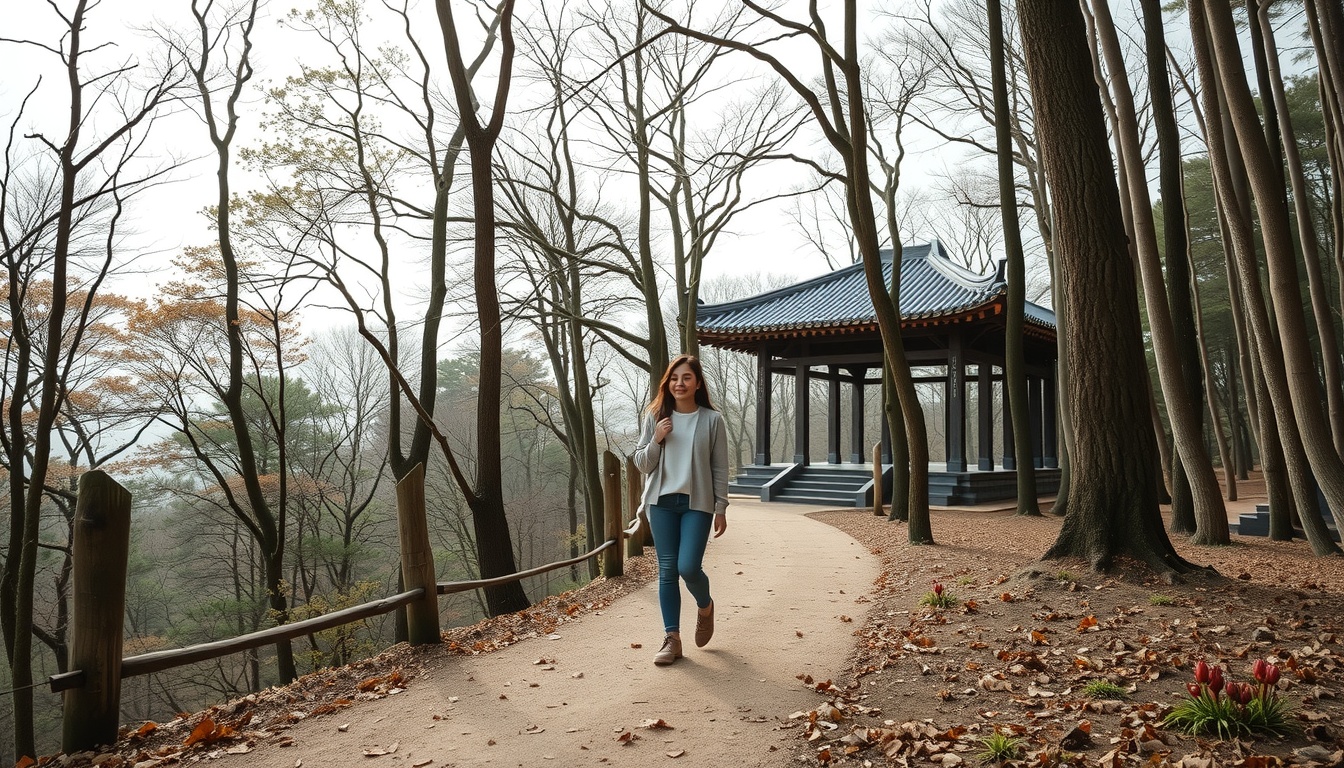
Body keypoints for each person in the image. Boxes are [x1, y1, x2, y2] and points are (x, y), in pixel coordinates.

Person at [632, 354, 729, 666]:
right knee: (667, 571)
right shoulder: (655, 417)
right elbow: (641, 463)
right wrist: (657, 440)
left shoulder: (713, 420)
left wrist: (721, 507)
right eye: (674, 378)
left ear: (697, 382)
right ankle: (672, 639)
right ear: (667, 383)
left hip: (695, 505)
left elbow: (719, 468)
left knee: (688, 567)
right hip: (661, 504)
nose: (679, 383)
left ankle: (705, 606)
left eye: (686, 378)